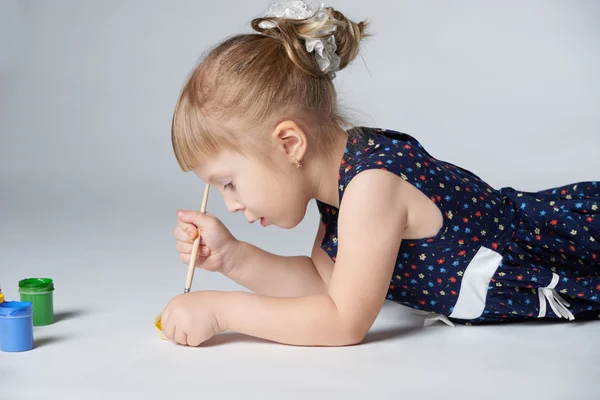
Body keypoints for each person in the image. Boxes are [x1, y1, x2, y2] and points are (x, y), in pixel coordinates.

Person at [159, 0, 600, 347]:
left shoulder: (371, 187)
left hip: (575, 246)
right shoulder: (339, 189)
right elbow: (325, 286)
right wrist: (234, 259)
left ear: (290, 143)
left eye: (229, 182)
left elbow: (342, 320)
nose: (230, 203)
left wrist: (221, 312)